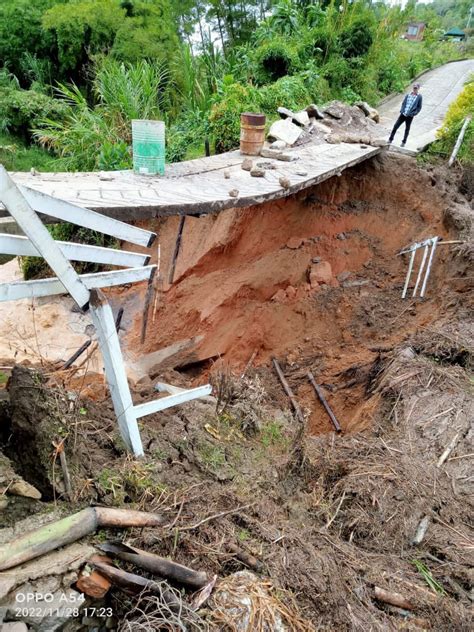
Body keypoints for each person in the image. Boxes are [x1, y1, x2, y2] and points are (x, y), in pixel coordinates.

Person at [388, 83, 423, 147]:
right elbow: (404, 103)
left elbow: (419, 107)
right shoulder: (408, 95)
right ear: (413, 88)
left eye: (416, 88)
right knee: (395, 126)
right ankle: (390, 139)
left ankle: (404, 142)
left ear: (418, 88)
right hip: (403, 114)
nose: (415, 89)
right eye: (414, 88)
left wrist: (413, 114)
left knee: (407, 129)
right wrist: (402, 110)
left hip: (410, 116)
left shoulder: (419, 97)